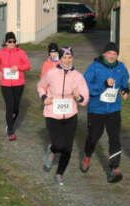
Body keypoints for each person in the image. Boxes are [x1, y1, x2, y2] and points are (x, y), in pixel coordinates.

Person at [37, 47, 89, 185]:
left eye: (70, 57)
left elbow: (85, 98)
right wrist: (44, 98)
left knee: (68, 147)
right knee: (59, 144)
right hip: (52, 113)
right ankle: (52, 149)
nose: (67, 60)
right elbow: (40, 86)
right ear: (60, 58)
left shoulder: (78, 76)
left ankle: (59, 173)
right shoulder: (51, 73)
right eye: (64, 57)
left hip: (70, 115)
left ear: (72, 58)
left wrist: (78, 97)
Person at [80, 42, 130, 183]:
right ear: (104, 54)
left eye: (114, 54)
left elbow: (125, 80)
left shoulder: (121, 67)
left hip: (114, 109)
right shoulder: (95, 67)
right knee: (94, 136)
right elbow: (85, 86)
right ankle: (87, 155)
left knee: (114, 137)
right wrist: (103, 85)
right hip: (97, 109)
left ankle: (114, 168)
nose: (112, 56)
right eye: (109, 53)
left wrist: (125, 90)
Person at [0, 32, 31, 141]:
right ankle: (10, 130)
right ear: (5, 42)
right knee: (9, 106)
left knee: (16, 108)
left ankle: (10, 122)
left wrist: (18, 67)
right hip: (5, 84)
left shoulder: (21, 52)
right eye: (10, 41)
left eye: (14, 41)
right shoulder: (0, 53)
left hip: (18, 84)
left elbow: (28, 65)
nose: (12, 43)